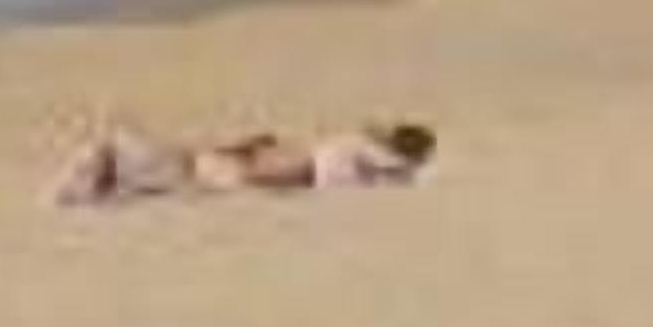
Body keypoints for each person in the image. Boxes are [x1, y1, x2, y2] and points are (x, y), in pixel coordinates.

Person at [53, 117, 435, 206]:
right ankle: (102, 181)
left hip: (248, 174)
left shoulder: (358, 149)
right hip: (250, 171)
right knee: (164, 166)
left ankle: (99, 180)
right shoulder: (358, 165)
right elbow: (397, 172)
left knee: (159, 160)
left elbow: (398, 168)